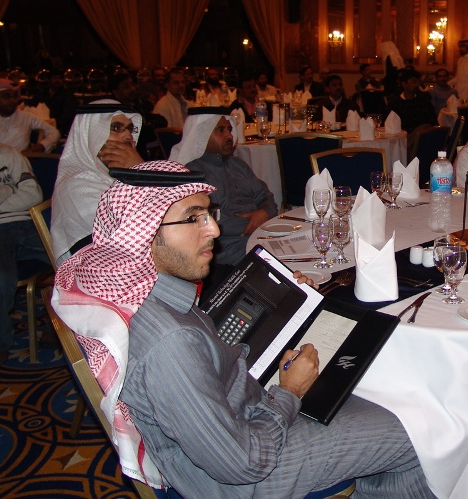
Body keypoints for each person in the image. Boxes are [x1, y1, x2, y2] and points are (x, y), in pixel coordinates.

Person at [52, 160, 433, 499]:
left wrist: (285, 300)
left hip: (241, 414)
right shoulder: (169, 343)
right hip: (247, 476)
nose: (214, 230)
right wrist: (289, 392)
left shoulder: (134, 286)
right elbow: (242, 463)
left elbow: (204, 349)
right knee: (419, 429)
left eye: (209, 213)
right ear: (144, 232)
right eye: (193, 218)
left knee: (363, 389)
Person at [171, 108, 278, 274]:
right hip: (227, 250)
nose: (229, 136)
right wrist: (257, 221)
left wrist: (263, 213)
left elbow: (266, 196)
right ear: (201, 135)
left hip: (260, 237)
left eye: (229, 129)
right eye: (220, 130)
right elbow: (210, 221)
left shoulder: (238, 165)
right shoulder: (191, 173)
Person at [51, 102, 143, 264]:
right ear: (91, 135)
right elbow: (122, 241)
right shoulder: (76, 188)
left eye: (129, 129)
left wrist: (136, 173)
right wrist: (139, 174)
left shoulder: (112, 177)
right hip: (105, 271)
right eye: (116, 128)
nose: (128, 137)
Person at [0, 144, 49, 364]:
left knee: (71, 261)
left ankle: (60, 326)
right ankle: (2, 342)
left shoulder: (8, 153)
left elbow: (34, 194)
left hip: (28, 222)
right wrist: (11, 188)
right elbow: (23, 192)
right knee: (2, 278)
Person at [0, 78, 61, 154]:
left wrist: (42, 146)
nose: (13, 100)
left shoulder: (27, 117)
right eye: (6, 96)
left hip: (18, 159)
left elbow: (54, 133)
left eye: (15, 96)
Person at [383, 69, 437, 134]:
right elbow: (387, 125)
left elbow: (433, 122)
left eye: (418, 82)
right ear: (404, 84)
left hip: (423, 136)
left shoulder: (424, 100)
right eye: (414, 82)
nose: (417, 85)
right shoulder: (395, 103)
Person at [33, 69, 78, 134]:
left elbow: (68, 115)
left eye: (59, 78)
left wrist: (53, 123)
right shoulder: (42, 94)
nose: (57, 81)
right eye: (54, 78)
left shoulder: (68, 96)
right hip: (41, 126)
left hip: (60, 128)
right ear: (49, 80)